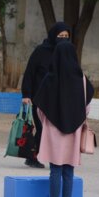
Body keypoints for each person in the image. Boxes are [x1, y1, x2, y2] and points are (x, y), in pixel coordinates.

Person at [33, 40, 94, 197]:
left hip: (53, 130)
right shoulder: (81, 79)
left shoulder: (50, 77)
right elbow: (87, 106)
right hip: (74, 132)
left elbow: (40, 108)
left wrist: (48, 122)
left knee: (55, 170)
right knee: (69, 171)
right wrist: (76, 120)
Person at [21, 22, 71, 168]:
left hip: (57, 100)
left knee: (54, 130)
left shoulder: (66, 53)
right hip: (38, 98)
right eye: (60, 36)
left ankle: (52, 156)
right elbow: (29, 73)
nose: (63, 39)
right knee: (42, 128)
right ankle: (33, 156)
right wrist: (26, 94)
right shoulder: (40, 51)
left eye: (66, 37)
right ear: (53, 36)